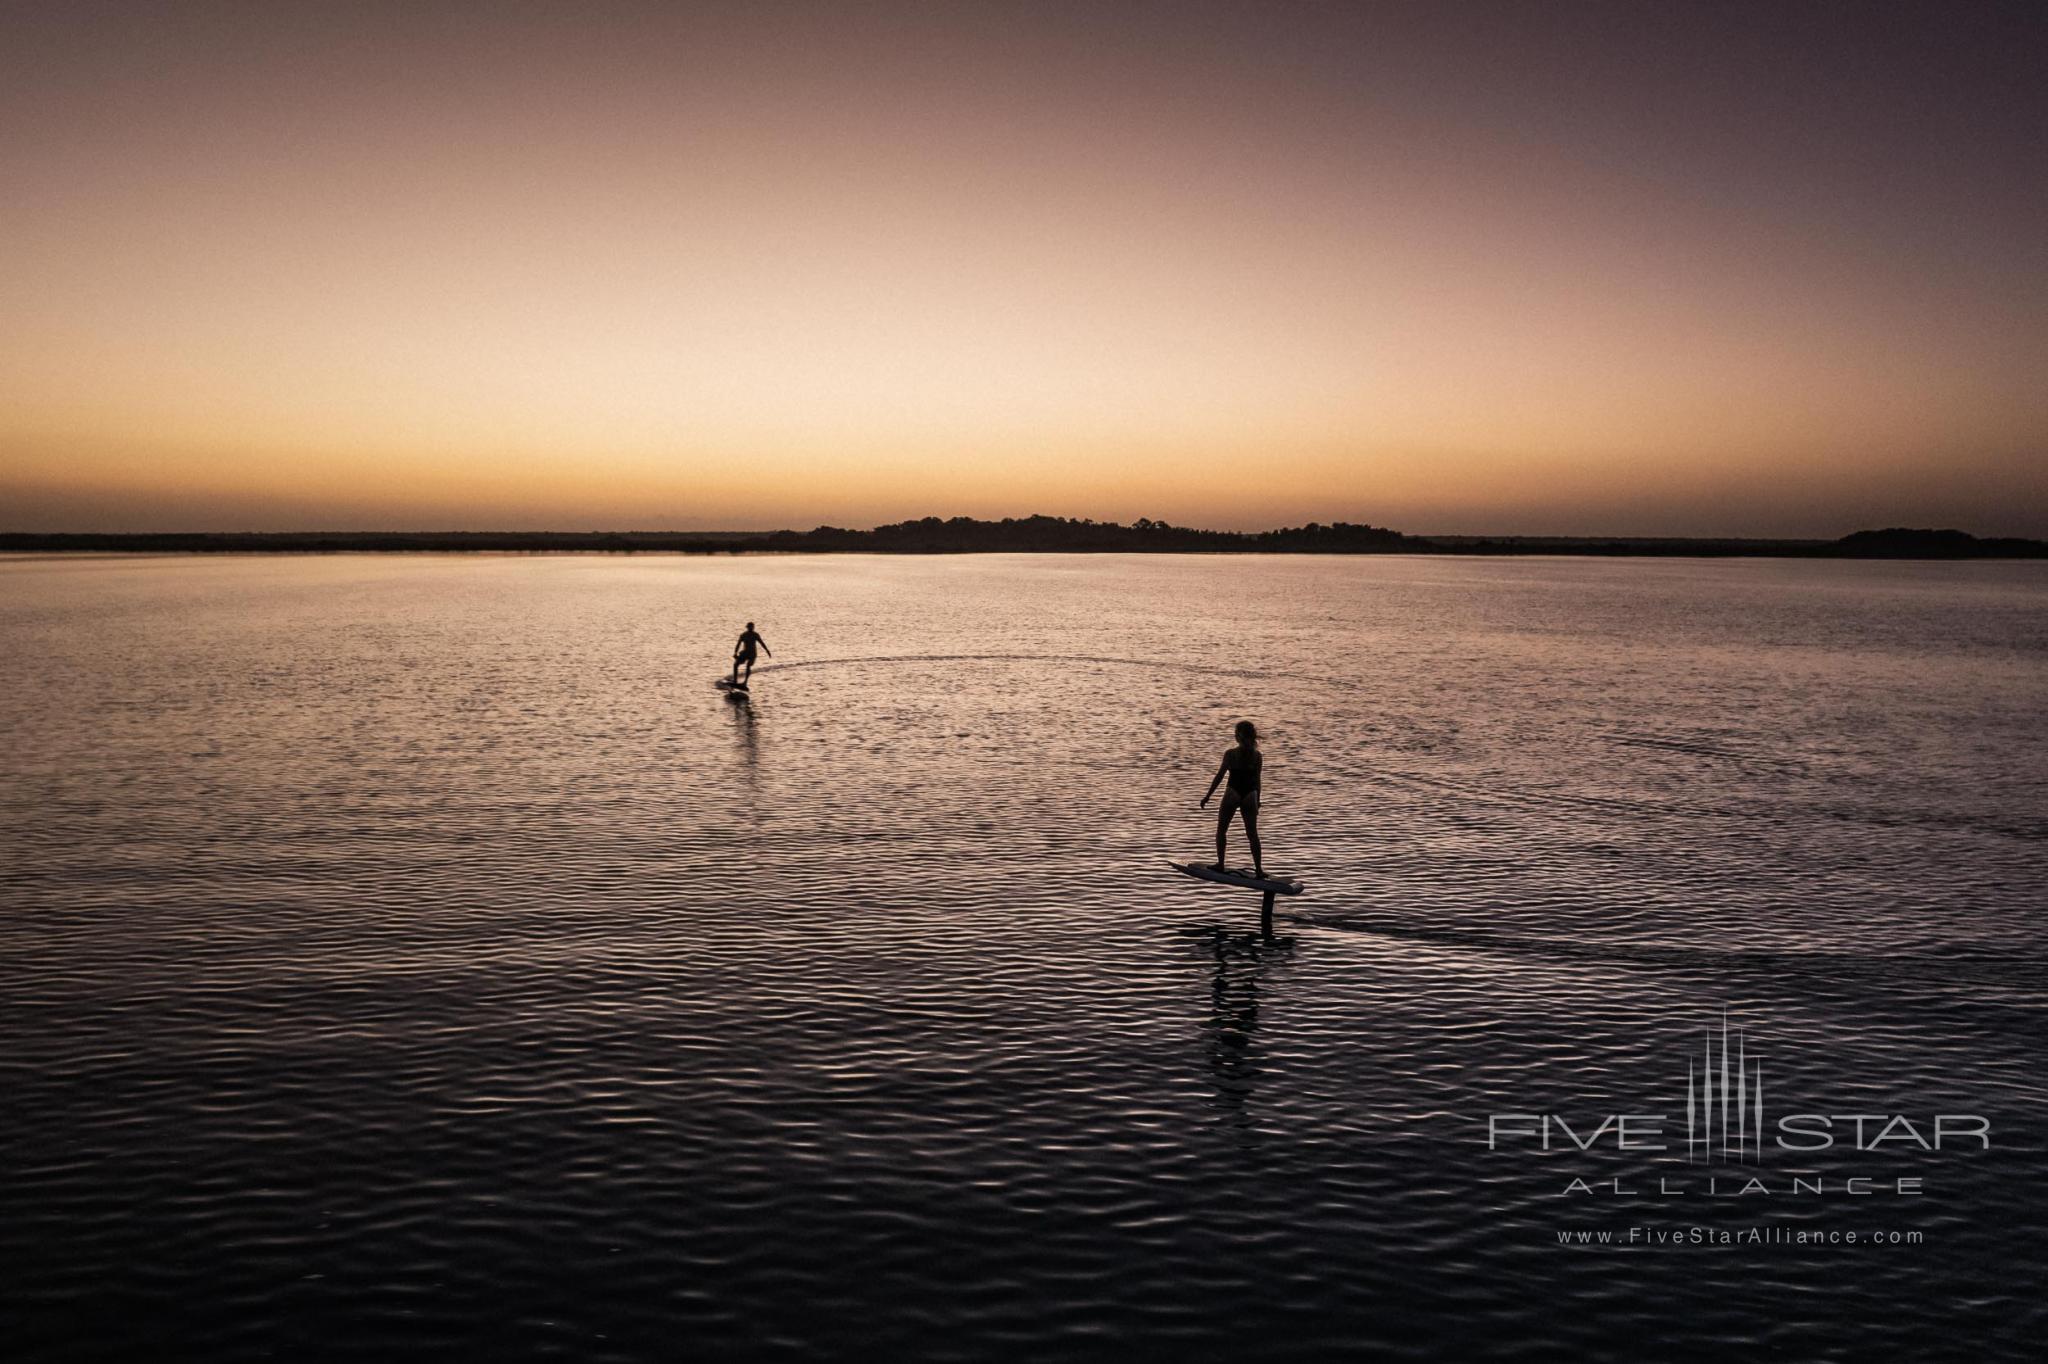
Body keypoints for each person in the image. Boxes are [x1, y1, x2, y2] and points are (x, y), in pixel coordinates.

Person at [1200, 720, 1264, 877]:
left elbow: (1220, 776)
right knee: (1252, 835)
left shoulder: (1230, 754)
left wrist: (1207, 796)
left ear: (1237, 737)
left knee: (1221, 830)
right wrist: (1258, 800)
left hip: (1232, 793)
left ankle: (1220, 864)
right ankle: (1259, 870)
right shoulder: (1257, 756)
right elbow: (1257, 780)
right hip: (1251, 795)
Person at [731, 621, 771, 686]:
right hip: (745, 653)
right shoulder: (743, 635)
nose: (751, 629)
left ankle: (745, 682)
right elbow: (738, 644)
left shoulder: (755, 635)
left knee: (748, 665)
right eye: (749, 627)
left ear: (753, 628)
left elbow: (761, 643)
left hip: (752, 654)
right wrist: (735, 652)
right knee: (735, 664)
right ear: (747, 628)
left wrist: (767, 650)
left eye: (752, 627)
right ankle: (735, 681)